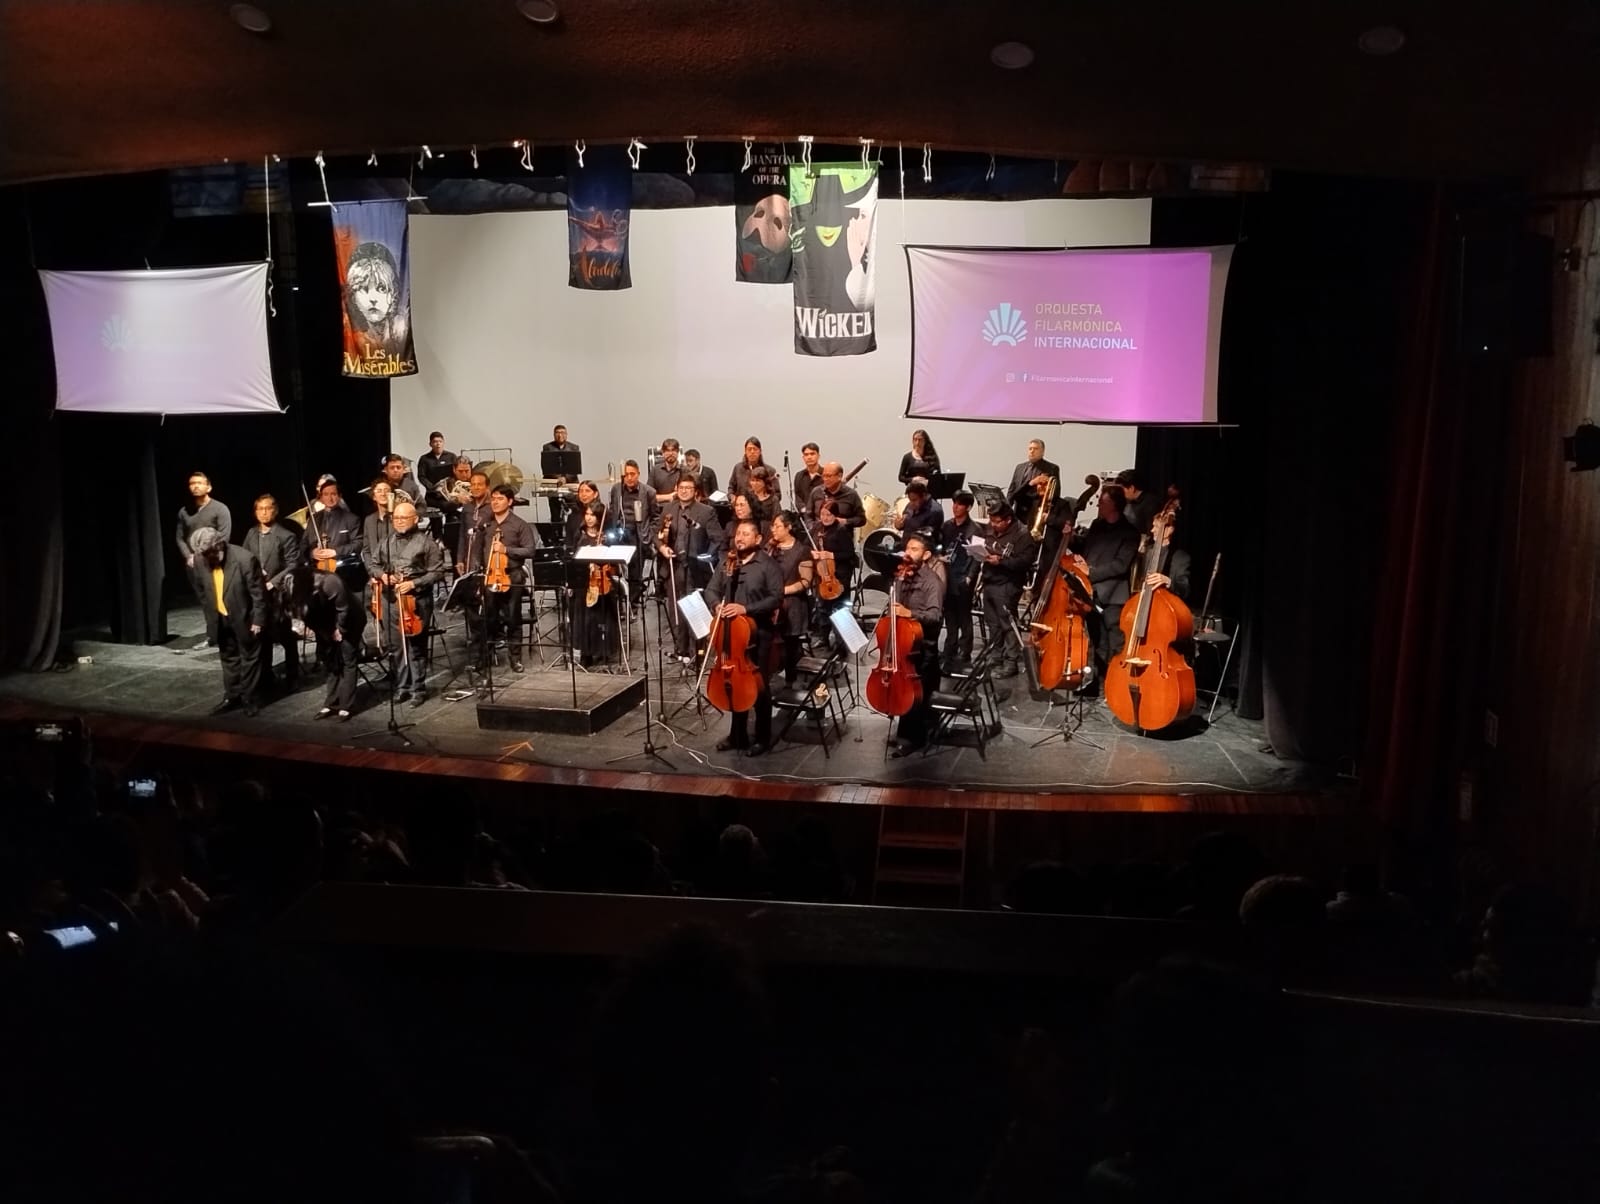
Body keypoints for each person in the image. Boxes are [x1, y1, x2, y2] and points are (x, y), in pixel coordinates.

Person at [702, 519, 782, 756]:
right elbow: (710, 590)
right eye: (738, 534)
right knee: (735, 683)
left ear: (757, 539)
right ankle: (737, 735)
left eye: (746, 534)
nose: (740, 538)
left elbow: (776, 598)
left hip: (759, 633)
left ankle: (762, 737)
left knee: (759, 687)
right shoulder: (728, 562)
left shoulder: (767, 565)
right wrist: (717, 605)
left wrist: (745, 609)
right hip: (732, 635)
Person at [362, 500, 448, 705]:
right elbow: (374, 564)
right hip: (390, 600)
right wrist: (383, 576)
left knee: (416, 646)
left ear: (415, 519)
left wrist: (413, 584)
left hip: (416, 601)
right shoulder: (387, 541)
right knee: (396, 646)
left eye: (403, 518)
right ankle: (402, 687)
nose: (399, 522)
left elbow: (437, 572)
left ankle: (418, 688)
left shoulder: (427, 543)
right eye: (396, 518)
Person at [189, 527, 265, 716]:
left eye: (211, 554)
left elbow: (258, 594)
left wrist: (258, 620)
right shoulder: (200, 559)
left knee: (249, 658)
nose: (208, 559)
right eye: (205, 555)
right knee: (228, 658)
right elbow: (202, 591)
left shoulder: (244, 559)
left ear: (220, 545)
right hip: (220, 618)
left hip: (244, 617)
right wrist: (210, 619)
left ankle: (250, 698)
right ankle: (232, 696)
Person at [464, 484, 537, 673]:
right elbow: (478, 550)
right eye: (493, 499)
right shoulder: (486, 524)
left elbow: (530, 550)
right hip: (489, 576)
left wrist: (507, 550)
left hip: (512, 575)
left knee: (513, 618)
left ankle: (515, 659)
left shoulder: (519, 524)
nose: (495, 502)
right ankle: (484, 658)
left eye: (500, 499)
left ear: (510, 501)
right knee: (488, 618)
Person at [1076, 486, 1141, 692]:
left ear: (1114, 505)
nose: (1098, 505)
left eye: (1102, 502)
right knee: (1096, 641)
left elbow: (1120, 565)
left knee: (1115, 643)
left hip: (1113, 595)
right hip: (1091, 592)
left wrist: (1090, 571)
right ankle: (1095, 682)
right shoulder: (1097, 525)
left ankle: (1116, 685)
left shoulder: (1130, 533)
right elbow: (1086, 547)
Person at [888, 531, 946, 756]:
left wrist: (908, 612)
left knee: (915, 695)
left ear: (927, 554)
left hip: (923, 647)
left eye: (915, 550)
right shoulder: (903, 575)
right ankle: (906, 732)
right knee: (905, 690)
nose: (908, 553)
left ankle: (912, 738)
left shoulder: (932, 582)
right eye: (908, 548)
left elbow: (935, 616)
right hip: (904, 643)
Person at [656, 474, 724, 662]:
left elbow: (717, 539)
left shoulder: (706, 511)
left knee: (694, 609)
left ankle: (697, 652)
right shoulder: (668, 508)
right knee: (675, 608)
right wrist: (662, 547)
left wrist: (705, 558)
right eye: (681, 487)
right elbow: (658, 533)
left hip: (694, 569)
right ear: (676, 488)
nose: (684, 491)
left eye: (689, 488)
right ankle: (680, 650)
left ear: (696, 491)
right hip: (673, 566)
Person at [242, 494, 304, 690]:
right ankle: (266, 676)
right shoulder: (251, 533)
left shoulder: (286, 536)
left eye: (268, 508)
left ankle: (293, 675)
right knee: (263, 637)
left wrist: (273, 582)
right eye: (260, 509)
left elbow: (293, 564)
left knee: (285, 636)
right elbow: (244, 557)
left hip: (278, 594)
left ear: (275, 510)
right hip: (257, 594)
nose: (264, 512)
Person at [980, 501, 1034, 679]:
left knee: (1007, 623)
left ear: (1008, 520)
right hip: (990, 580)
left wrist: (1001, 561)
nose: (993, 525)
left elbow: (1024, 562)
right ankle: (996, 655)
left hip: (1007, 584)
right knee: (993, 623)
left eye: (997, 521)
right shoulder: (991, 529)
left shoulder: (1022, 534)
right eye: (991, 521)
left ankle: (1011, 661)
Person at [175, 471, 232, 633]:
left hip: (214, 562)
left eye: (199, 483)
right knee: (204, 599)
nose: (195, 486)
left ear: (209, 487)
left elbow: (224, 536)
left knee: (219, 598)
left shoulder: (220, 509)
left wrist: (206, 556)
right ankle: (212, 634)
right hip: (193, 563)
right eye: (192, 483)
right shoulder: (184, 511)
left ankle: (226, 632)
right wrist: (189, 556)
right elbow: (179, 538)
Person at [304, 568, 364, 721]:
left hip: (351, 619)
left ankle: (346, 706)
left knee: (348, 659)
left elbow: (344, 609)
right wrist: (326, 633)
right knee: (330, 661)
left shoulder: (331, 582)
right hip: (328, 621)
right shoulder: (300, 595)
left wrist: (340, 630)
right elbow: (309, 617)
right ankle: (331, 703)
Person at [806, 460, 866, 607]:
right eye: (823, 476)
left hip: (841, 552)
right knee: (820, 598)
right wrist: (816, 527)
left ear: (839, 476)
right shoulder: (816, 492)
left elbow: (861, 519)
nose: (824, 479)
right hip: (820, 553)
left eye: (829, 476)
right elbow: (808, 515)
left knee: (840, 599)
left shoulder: (851, 495)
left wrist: (845, 521)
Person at [571, 501, 623, 667]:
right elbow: (574, 559)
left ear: (600, 517)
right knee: (586, 619)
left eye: (593, 515)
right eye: (587, 514)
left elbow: (616, 563)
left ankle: (604, 651)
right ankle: (587, 653)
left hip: (604, 581)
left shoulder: (608, 536)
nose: (589, 518)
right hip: (585, 582)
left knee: (604, 617)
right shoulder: (580, 535)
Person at [768, 511, 814, 685]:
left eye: (778, 526)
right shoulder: (771, 548)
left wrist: (782, 591)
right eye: (773, 526)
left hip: (792, 606)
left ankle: (790, 681)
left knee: (789, 648)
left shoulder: (802, 551)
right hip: (771, 605)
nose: (773, 530)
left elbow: (805, 581)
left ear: (788, 528)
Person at [939, 489, 981, 669]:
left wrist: (970, 577)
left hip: (963, 578)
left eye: (960, 504)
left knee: (964, 616)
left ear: (969, 507)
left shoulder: (976, 529)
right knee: (949, 616)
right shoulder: (947, 526)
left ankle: (965, 652)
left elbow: (977, 557)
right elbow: (940, 547)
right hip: (948, 575)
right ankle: (950, 648)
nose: (955, 507)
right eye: (954, 503)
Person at [307, 477, 364, 596]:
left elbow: (358, 544)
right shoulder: (313, 519)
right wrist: (312, 553)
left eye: (333, 494)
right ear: (321, 498)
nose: (330, 498)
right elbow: (303, 545)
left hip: (344, 574)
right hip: (318, 575)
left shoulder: (352, 519)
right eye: (326, 494)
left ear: (339, 496)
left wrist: (335, 552)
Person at [609, 460, 656, 605]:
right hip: (620, 533)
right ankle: (620, 602)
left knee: (635, 571)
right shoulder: (617, 489)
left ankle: (633, 603)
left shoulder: (649, 492)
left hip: (638, 535)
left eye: (632, 474)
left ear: (638, 474)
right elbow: (613, 509)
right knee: (616, 569)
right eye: (626, 475)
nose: (629, 478)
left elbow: (656, 516)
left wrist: (650, 534)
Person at [1005, 439, 1062, 533]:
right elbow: (1012, 490)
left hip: (1035, 513)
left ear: (1042, 451)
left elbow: (1055, 493)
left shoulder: (1051, 468)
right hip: (1018, 512)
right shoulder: (1020, 467)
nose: (1032, 451)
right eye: (1030, 448)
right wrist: (1006, 510)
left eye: (1035, 449)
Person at [454, 471, 494, 574]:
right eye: (473, 484)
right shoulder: (467, 507)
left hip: (488, 556)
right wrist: (459, 559)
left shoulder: (493, 506)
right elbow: (462, 535)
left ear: (487, 486)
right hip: (470, 557)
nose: (476, 487)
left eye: (480, 484)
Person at [729, 436, 781, 503]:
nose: (752, 452)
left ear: (760, 451)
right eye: (749, 449)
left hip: (763, 510)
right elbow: (731, 488)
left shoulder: (770, 471)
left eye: (755, 449)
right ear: (745, 451)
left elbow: (777, 495)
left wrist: (765, 501)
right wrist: (732, 497)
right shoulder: (738, 468)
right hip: (741, 509)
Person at [563, 480, 604, 552]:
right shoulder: (573, 515)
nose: (583, 494)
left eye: (587, 491)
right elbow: (569, 541)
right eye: (581, 491)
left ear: (595, 494)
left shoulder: (603, 513)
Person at [361, 478, 394, 553]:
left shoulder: (399, 518)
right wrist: (370, 564)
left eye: (386, 490)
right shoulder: (369, 520)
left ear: (392, 495)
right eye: (379, 491)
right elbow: (366, 550)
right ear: (374, 497)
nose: (383, 494)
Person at [746, 466, 781, 535]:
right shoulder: (747, 497)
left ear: (765, 482)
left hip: (768, 532)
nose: (755, 484)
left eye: (758, 481)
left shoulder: (773, 499)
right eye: (752, 480)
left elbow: (777, 518)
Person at [792, 442, 824, 510]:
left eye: (812, 454)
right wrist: (804, 510)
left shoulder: (826, 474)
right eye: (806, 455)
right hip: (804, 514)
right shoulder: (799, 476)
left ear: (818, 456)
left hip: (822, 514)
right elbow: (798, 497)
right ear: (803, 458)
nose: (809, 457)